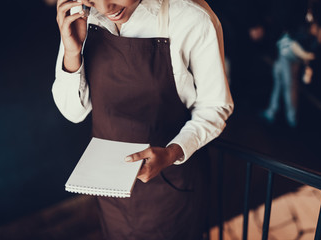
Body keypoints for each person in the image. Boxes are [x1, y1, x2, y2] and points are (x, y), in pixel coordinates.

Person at [52, 0, 234, 239]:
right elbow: (73, 112)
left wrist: (172, 153)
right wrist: (72, 51)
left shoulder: (191, 18)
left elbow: (215, 107)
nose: (106, 8)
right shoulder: (83, 16)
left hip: (171, 188)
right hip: (109, 187)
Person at [261, 21, 321, 128]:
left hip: (290, 51)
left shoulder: (312, 31)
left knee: (289, 85)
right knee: (280, 81)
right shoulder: (306, 26)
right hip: (288, 49)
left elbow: (311, 49)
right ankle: (273, 112)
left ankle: (291, 119)